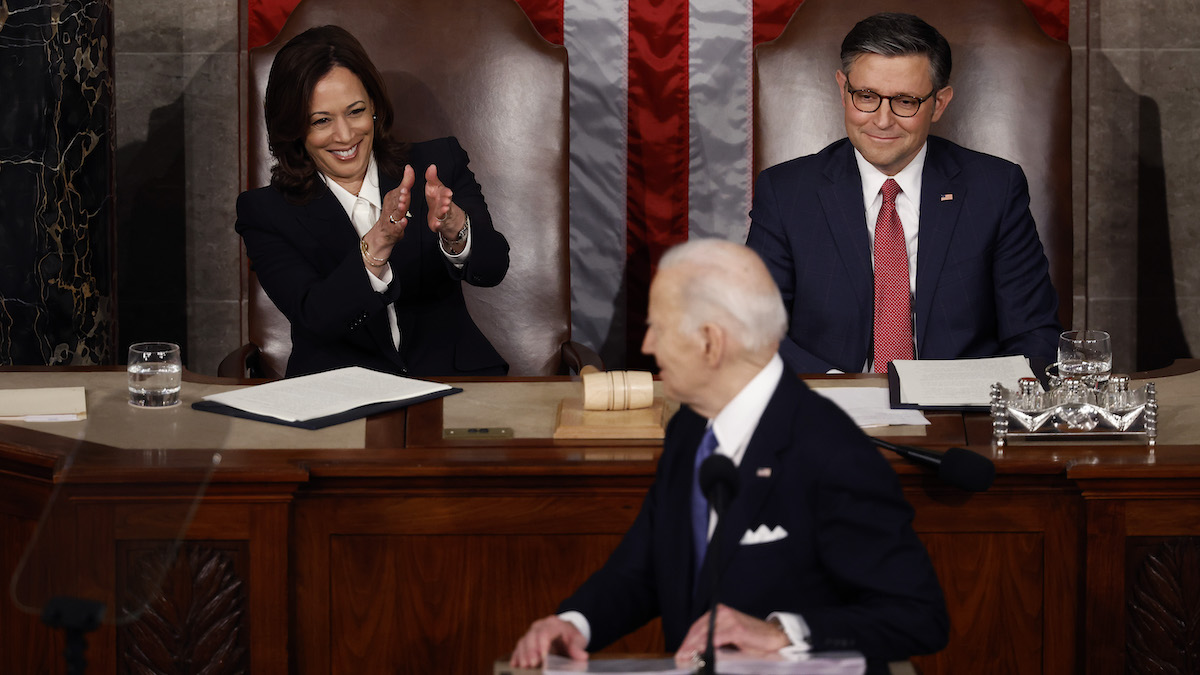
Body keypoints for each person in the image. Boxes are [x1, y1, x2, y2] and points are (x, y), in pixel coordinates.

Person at [510, 239, 948, 675]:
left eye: (658, 328)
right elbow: (646, 564)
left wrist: (784, 632)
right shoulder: (689, 427)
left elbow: (918, 616)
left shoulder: (831, 453)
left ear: (710, 343)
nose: (647, 345)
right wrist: (575, 623)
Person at [746, 12, 1061, 375]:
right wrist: (840, 392)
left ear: (938, 104)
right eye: (866, 96)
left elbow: (1035, 335)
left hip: (961, 416)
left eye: (906, 101)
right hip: (829, 410)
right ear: (842, 90)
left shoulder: (995, 189)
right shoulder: (786, 193)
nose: (882, 120)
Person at [236, 25, 509, 378]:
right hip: (339, 395)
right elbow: (316, 317)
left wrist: (457, 229)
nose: (346, 135)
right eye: (321, 120)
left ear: (374, 107)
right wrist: (377, 245)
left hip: (453, 381)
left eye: (355, 111)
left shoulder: (436, 164)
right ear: (294, 129)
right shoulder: (266, 213)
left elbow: (493, 267)